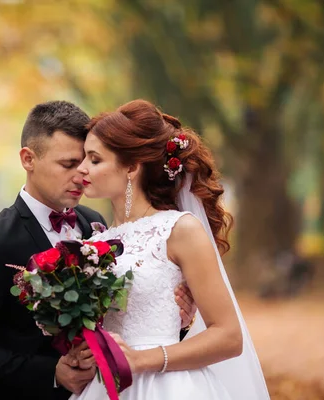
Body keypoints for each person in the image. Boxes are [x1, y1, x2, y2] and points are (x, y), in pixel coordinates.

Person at [0, 100, 197, 400]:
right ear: (28, 159)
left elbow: (125, 319)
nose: (81, 174)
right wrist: (52, 373)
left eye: (87, 162)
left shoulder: (96, 224)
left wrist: (177, 319)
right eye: (68, 164)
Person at [72, 99, 270, 399]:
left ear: (132, 167)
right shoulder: (94, 243)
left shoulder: (179, 230)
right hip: (103, 386)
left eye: (95, 159)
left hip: (166, 387)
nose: (82, 168)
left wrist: (140, 360)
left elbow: (229, 336)